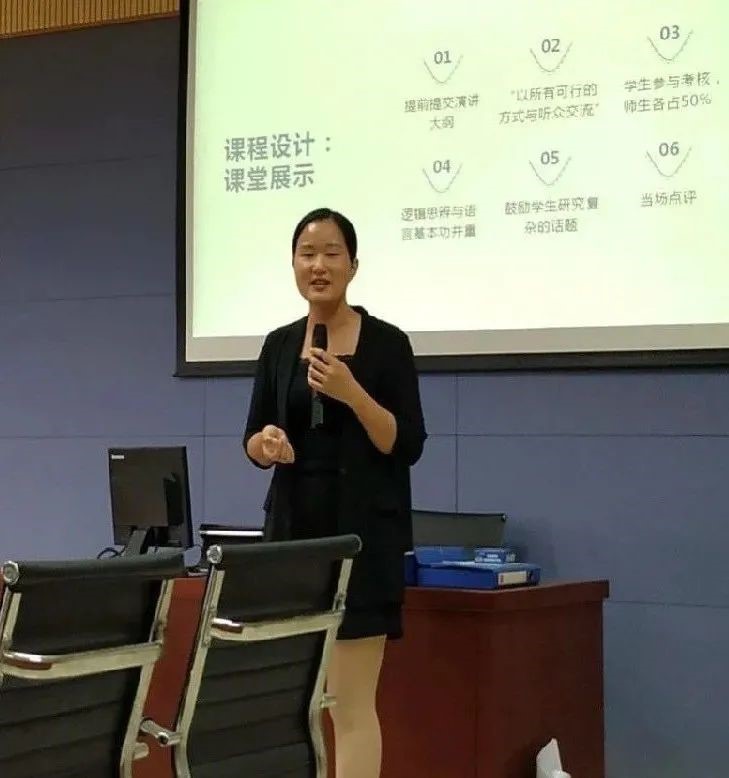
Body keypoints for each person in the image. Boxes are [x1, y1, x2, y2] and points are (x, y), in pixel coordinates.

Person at [243, 207, 427, 778]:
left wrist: (352, 393)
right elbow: (252, 437)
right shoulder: (278, 345)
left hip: (361, 541)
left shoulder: (388, 345)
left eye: (331, 254)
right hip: (293, 538)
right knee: (293, 704)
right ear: (293, 265)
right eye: (307, 254)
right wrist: (267, 443)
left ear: (353, 265)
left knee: (350, 705)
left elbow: (406, 442)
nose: (318, 265)